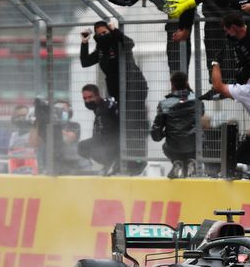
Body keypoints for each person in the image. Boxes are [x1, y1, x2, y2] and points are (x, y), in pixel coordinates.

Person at [80, 20, 149, 175]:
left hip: (134, 88)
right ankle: (119, 159)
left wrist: (114, 30)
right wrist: (85, 41)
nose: (102, 36)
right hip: (117, 92)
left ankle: (137, 161)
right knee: (121, 123)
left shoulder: (119, 43)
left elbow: (130, 43)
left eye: (104, 33)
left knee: (132, 123)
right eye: (99, 34)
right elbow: (85, 62)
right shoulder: (101, 50)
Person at [206, 45, 250, 171]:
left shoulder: (245, 91)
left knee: (240, 154)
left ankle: (240, 169)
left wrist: (215, 63)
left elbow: (217, 85)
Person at [151, 71, 203, 179]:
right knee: (199, 138)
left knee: (167, 146)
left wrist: (161, 135)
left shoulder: (164, 104)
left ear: (172, 84)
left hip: (173, 146)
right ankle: (192, 162)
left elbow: (156, 131)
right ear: (187, 82)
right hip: (194, 144)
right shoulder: (198, 101)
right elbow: (201, 117)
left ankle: (177, 162)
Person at [78, 84, 120, 175]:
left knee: (82, 147)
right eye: (85, 98)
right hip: (112, 141)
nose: (87, 100)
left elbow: (104, 132)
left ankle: (112, 162)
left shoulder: (103, 109)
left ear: (97, 95)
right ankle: (109, 164)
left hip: (113, 143)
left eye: (90, 97)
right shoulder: (102, 106)